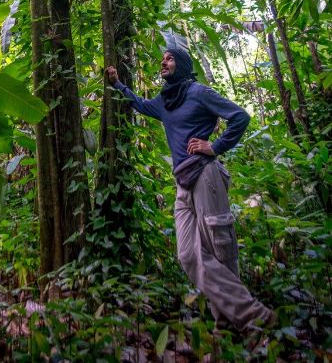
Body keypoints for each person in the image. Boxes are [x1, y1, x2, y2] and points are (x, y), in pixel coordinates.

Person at [105, 47, 275, 334]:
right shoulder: (165, 100)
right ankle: (249, 316)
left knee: (220, 248)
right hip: (183, 182)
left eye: (170, 58)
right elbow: (139, 104)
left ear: (182, 64)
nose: (163, 62)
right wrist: (117, 83)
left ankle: (235, 323)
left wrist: (215, 146)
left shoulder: (198, 92)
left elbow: (240, 117)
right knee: (187, 254)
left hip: (205, 175)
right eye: (163, 58)